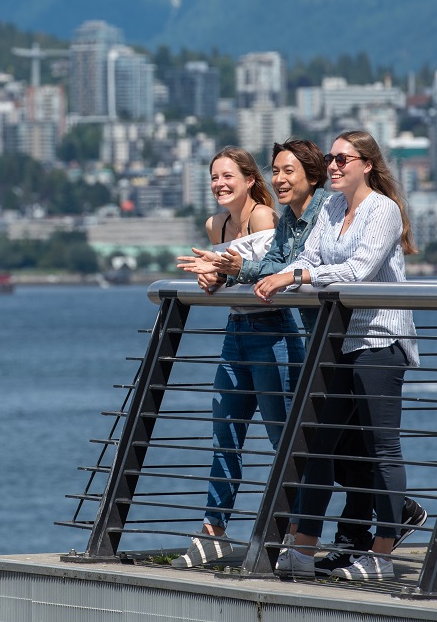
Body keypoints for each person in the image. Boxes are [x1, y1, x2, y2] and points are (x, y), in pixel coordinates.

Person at [255, 130, 420, 582]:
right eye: (330, 157)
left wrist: (298, 276)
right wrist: (296, 274)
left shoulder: (382, 210)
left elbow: (358, 271)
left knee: (381, 447)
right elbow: (305, 260)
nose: (333, 165)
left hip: (380, 339)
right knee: (319, 444)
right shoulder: (329, 207)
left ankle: (381, 554)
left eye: (344, 159)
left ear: (367, 165)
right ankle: (302, 551)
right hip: (338, 341)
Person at [168, 146, 305, 569]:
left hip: (273, 332)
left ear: (249, 180)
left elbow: (266, 270)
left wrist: (220, 269)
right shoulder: (216, 223)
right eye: (214, 178)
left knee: (283, 439)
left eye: (228, 176)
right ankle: (214, 532)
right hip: (237, 332)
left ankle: (295, 535)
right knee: (224, 434)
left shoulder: (264, 216)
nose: (220, 185)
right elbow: (228, 279)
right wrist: (211, 277)